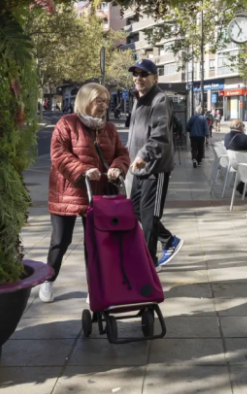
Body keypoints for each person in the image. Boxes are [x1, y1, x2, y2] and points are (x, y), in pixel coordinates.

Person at [41, 83, 129, 303]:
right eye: (98, 100)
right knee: (60, 241)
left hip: (97, 195)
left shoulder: (108, 129)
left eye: (105, 101)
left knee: (96, 242)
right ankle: (48, 280)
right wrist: (82, 170)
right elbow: (59, 154)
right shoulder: (67, 123)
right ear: (85, 100)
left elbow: (122, 153)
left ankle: (95, 286)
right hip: (68, 193)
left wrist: (118, 167)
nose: (103, 106)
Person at [127, 59, 184, 268]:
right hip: (138, 169)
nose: (139, 78)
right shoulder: (137, 99)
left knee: (149, 217)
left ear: (155, 78)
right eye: (136, 74)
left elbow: (160, 135)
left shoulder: (159, 99)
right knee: (134, 209)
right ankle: (169, 240)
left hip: (155, 167)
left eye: (144, 74)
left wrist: (143, 155)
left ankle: (150, 265)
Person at [224, 119, 247, 196]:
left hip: (233, 163)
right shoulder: (245, 137)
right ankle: (246, 186)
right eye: (243, 125)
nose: (244, 127)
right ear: (239, 127)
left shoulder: (226, 136)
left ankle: (242, 185)